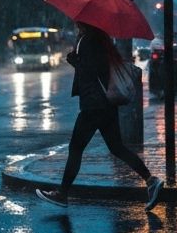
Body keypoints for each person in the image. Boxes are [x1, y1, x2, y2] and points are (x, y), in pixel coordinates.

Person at [36, 22, 163, 210]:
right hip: (105, 104)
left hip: (93, 105)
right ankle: (150, 180)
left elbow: (91, 71)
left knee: (76, 148)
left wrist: (75, 61)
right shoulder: (102, 39)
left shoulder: (88, 40)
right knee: (116, 147)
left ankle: (62, 193)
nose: (74, 22)